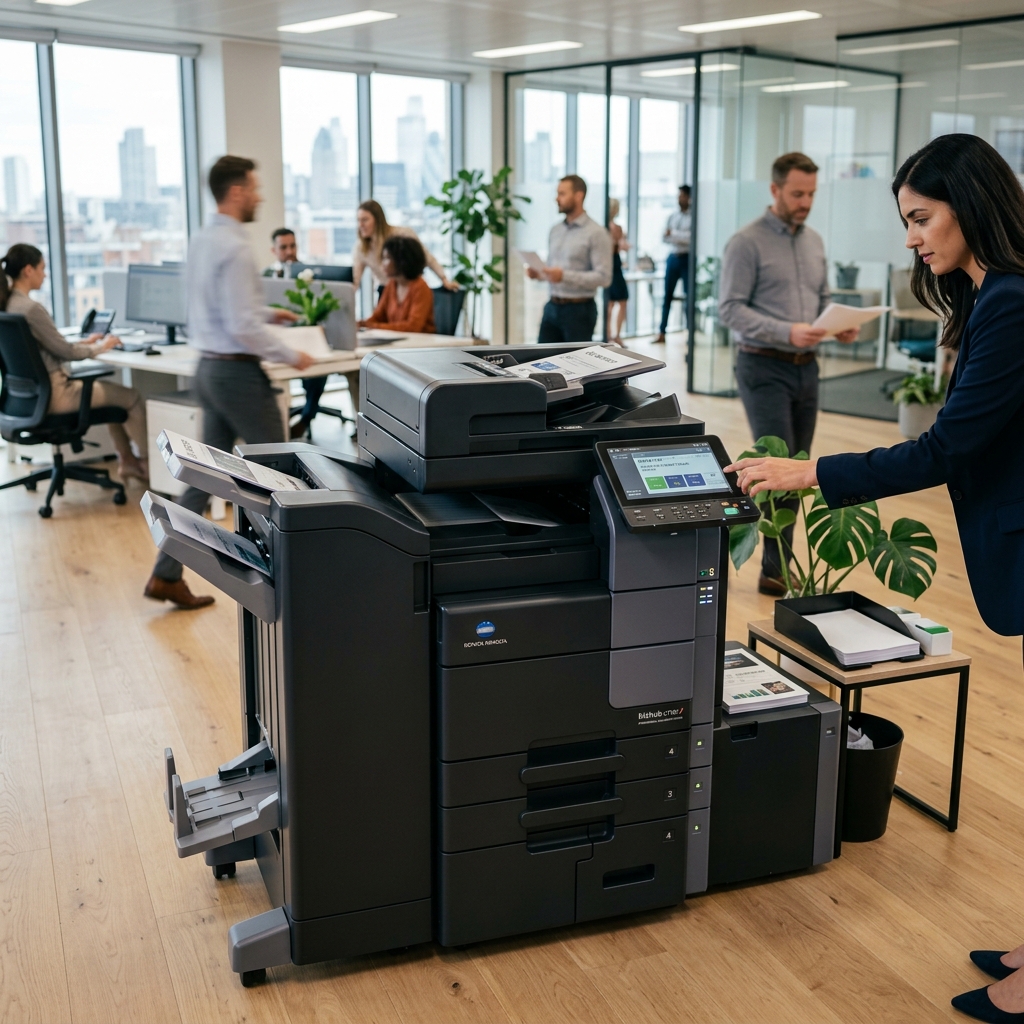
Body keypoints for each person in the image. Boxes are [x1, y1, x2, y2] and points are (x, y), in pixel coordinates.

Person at [722, 133, 1024, 1024]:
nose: (912, 239)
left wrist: (809, 472)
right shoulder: (992, 297)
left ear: (971, 206)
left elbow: (947, 447)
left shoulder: (1012, 301)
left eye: (922, 218)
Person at [143, 156, 314, 610]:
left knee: (202, 477)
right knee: (280, 474)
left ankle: (165, 574)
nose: (259, 196)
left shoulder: (203, 240)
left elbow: (221, 311)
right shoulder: (236, 246)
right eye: (254, 188)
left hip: (209, 369)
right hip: (237, 375)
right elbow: (240, 326)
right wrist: (291, 354)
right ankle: (296, 582)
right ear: (236, 191)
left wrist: (268, 314)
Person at [718, 152, 859, 595]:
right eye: (797, 194)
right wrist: (787, 330)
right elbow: (729, 309)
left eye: (811, 194)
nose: (806, 202)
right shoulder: (746, 242)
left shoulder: (814, 241)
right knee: (776, 466)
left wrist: (837, 325)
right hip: (762, 365)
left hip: (806, 368)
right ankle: (774, 570)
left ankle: (778, 565)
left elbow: (822, 298)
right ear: (775, 189)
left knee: (800, 465)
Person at [0, 243, 148, 482]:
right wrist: (101, 346)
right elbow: (67, 352)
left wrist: (86, 342)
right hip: (57, 395)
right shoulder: (31, 308)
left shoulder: (8, 305)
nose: (45, 275)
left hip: (28, 399)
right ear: (28, 270)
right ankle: (149, 465)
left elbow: (50, 346)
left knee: (113, 397)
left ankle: (128, 462)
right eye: (42, 268)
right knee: (131, 398)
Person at [527, 174, 612, 344]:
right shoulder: (555, 230)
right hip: (551, 307)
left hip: (579, 311)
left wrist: (564, 276)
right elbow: (554, 271)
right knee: (540, 358)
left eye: (562, 194)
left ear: (579, 196)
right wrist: (540, 274)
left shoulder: (596, 233)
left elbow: (604, 278)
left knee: (575, 360)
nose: (556, 199)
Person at [262, 226, 326, 439]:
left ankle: (306, 417)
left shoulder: (309, 275)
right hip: (276, 338)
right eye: (283, 247)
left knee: (318, 368)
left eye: (293, 246)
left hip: (303, 335)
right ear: (274, 250)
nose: (289, 251)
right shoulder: (266, 276)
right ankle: (276, 423)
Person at [352, 199, 456, 294]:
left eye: (365, 220)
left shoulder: (402, 235)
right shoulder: (361, 247)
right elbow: (354, 280)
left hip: (410, 290)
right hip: (386, 291)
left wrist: (444, 279)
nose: (360, 225)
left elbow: (427, 258)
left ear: (378, 220)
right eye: (358, 220)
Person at [359, 235, 435, 334]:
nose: (383, 263)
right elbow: (378, 317)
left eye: (387, 258)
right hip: (397, 340)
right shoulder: (392, 285)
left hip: (420, 342)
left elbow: (413, 327)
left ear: (402, 260)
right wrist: (362, 324)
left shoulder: (420, 287)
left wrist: (373, 326)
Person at [654, 184, 692, 345]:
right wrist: (677, 236)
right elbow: (664, 237)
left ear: (689, 198)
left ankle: (690, 334)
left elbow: (690, 238)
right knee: (667, 296)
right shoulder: (672, 216)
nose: (679, 199)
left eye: (682, 196)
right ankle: (662, 333)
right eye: (678, 196)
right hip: (673, 258)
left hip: (687, 259)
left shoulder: (693, 217)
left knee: (689, 297)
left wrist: (674, 234)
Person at [606, 198, 630, 344]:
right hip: (612, 266)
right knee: (615, 303)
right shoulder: (613, 228)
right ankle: (613, 336)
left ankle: (612, 336)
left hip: (613, 266)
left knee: (614, 303)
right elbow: (619, 245)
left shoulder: (609, 228)